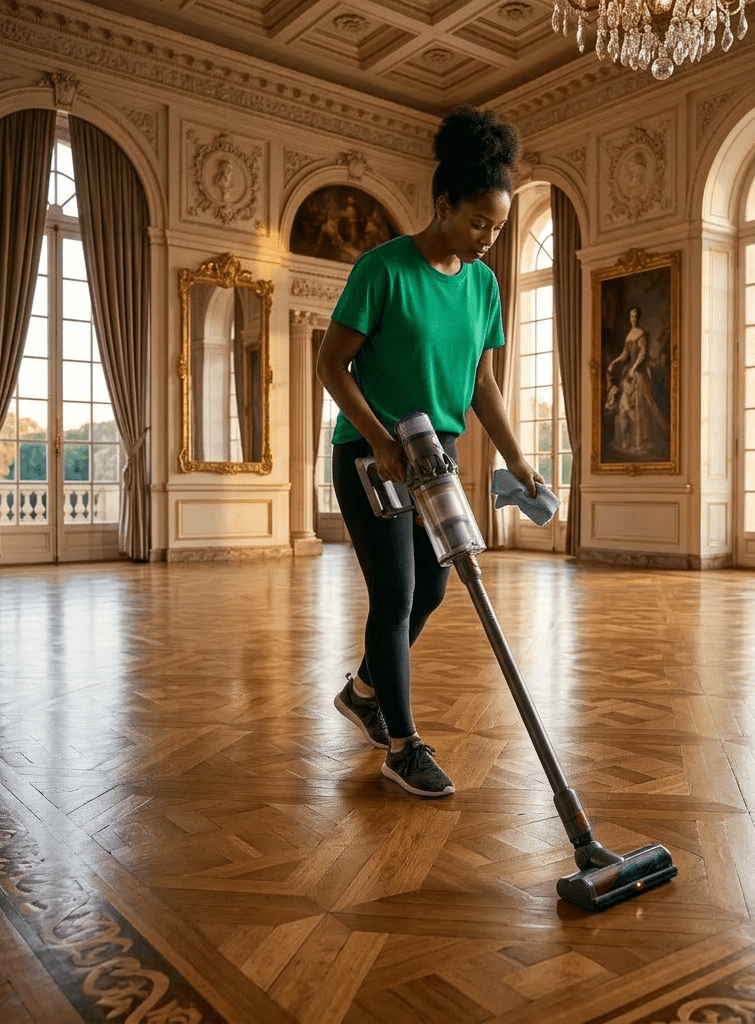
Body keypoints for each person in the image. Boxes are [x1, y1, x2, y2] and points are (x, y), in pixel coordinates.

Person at [316, 105, 541, 798]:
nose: (487, 239)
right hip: (371, 453)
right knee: (397, 591)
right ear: (443, 204)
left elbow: (482, 382)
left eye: (499, 228)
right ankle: (404, 745)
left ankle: (362, 690)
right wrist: (381, 442)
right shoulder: (382, 270)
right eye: (478, 221)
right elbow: (332, 366)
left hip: (434, 454)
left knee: (438, 585)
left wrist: (515, 457)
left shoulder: (484, 285)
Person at [606, 306, 668, 454]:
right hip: (629, 372)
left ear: (638, 317)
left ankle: (641, 441)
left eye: (635, 316)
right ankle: (628, 442)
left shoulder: (642, 334)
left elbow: (642, 355)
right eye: (631, 316)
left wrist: (633, 369)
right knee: (625, 407)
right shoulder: (629, 335)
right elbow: (624, 355)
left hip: (639, 373)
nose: (633, 319)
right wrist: (614, 362)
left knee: (640, 406)